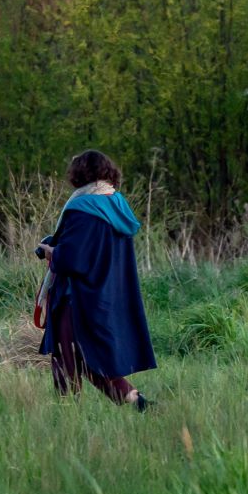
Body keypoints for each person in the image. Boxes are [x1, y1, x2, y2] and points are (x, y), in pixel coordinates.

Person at [37, 150, 157, 411]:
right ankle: (139, 403)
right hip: (106, 296)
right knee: (90, 359)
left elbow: (72, 260)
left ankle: (66, 415)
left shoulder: (83, 207)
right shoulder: (116, 205)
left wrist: (50, 251)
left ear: (80, 174)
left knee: (66, 357)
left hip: (76, 298)